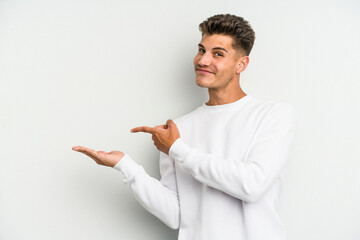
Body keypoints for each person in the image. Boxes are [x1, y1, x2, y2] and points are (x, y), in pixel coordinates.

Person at [73, 14, 297, 240]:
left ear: (241, 64)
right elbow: (175, 215)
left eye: (217, 54)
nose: (203, 60)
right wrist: (126, 166)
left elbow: (252, 184)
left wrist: (178, 149)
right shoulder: (178, 129)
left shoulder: (273, 115)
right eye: (201, 50)